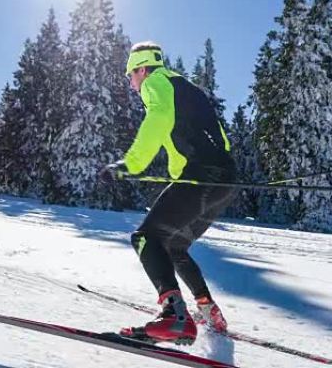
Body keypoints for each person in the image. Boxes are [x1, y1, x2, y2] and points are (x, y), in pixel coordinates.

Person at [99, 41, 237, 345]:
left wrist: (130, 164)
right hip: (224, 181)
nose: (132, 85)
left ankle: (174, 318)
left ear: (143, 69)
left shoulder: (156, 82)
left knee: (146, 237)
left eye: (131, 76)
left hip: (201, 177)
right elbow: (218, 139)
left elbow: (159, 120)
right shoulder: (183, 85)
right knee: (174, 247)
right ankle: (207, 308)